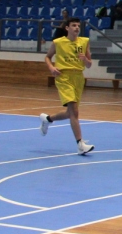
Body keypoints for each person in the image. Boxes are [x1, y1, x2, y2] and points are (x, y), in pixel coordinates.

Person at [40, 18, 94, 155]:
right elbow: (47, 57)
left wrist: (85, 59)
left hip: (78, 77)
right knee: (75, 112)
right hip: (63, 77)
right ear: (67, 28)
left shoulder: (84, 41)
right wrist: (51, 68)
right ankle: (80, 144)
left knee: (70, 113)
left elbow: (89, 65)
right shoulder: (58, 42)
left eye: (78, 26)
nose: (77, 28)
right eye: (73, 25)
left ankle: (48, 119)